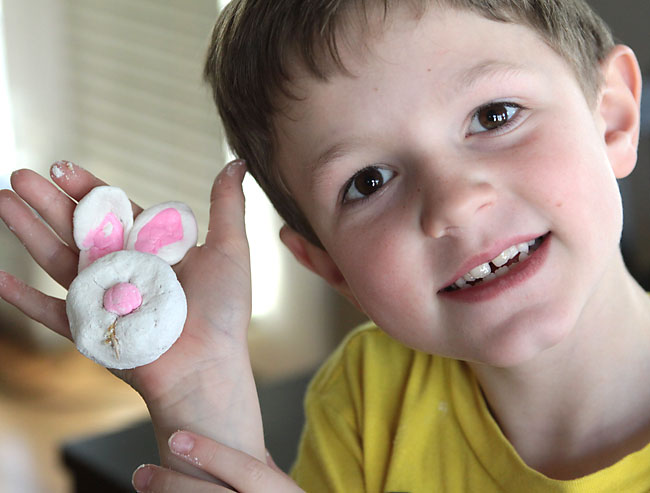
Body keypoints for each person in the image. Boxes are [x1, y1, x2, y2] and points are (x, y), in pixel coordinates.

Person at [0, 0, 646, 491]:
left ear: (612, 117)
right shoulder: (366, 396)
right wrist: (199, 398)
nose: (452, 202)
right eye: (369, 181)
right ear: (329, 264)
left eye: (495, 115)